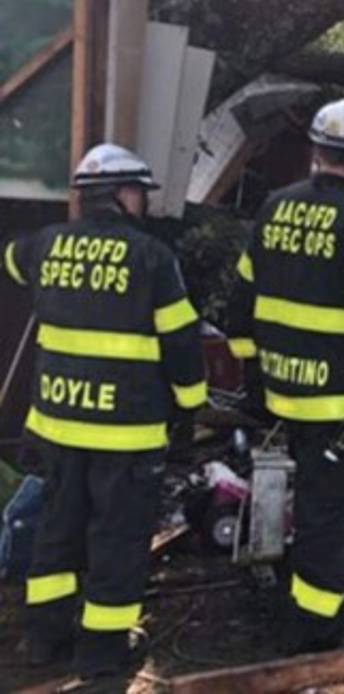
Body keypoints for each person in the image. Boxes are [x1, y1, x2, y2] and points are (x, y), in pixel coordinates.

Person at [2, 144, 207, 678]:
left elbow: (11, 260)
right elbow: (182, 342)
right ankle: (101, 652)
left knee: (57, 531)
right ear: (118, 195)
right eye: (138, 191)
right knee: (116, 540)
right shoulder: (153, 259)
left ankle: (43, 639)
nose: (142, 201)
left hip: (57, 425)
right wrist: (190, 405)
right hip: (126, 432)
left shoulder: (44, 247)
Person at [226, 98, 344, 654]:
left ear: (315, 149)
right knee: (330, 516)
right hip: (340, 403)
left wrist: (253, 375)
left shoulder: (272, 207)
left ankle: (300, 595)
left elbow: (240, 300)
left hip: (285, 391)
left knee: (309, 502)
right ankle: (319, 623)